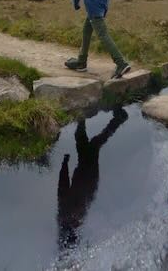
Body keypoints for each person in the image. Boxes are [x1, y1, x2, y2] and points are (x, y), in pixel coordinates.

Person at [56, 107, 128, 251]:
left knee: (85, 142)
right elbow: (63, 186)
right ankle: (118, 119)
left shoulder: (69, 215)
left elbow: (63, 186)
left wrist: (65, 164)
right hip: (87, 176)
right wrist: (65, 164)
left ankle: (86, 119)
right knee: (93, 144)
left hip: (85, 176)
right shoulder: (68, 213)